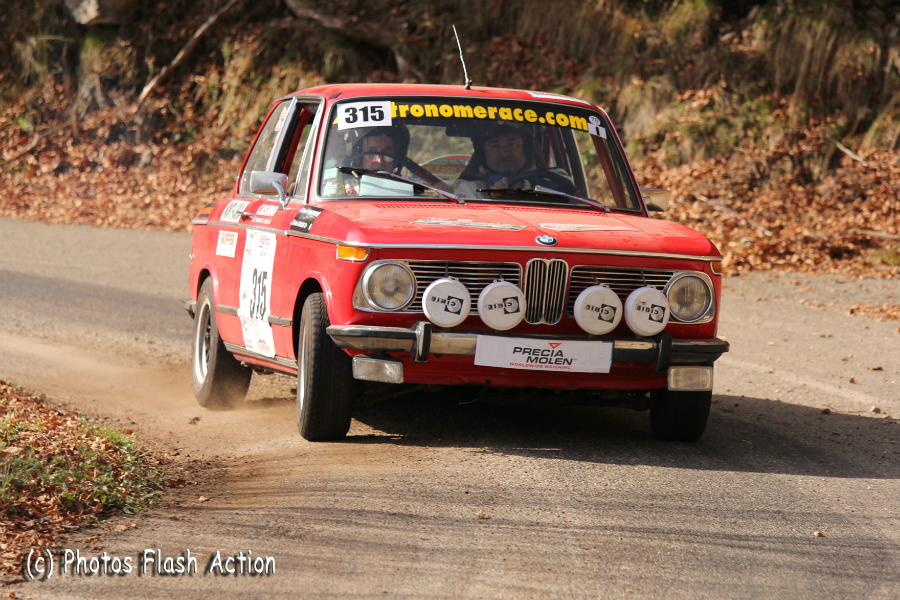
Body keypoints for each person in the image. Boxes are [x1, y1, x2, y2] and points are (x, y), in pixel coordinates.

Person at [452, 122, 574, 199]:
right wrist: (493, 199)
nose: (505, 152)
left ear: (525, 148)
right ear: (483, 154)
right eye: (495, 146)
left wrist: (527, 187)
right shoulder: (468, 188)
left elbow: (573, 204)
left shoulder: (556, 178)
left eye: (512, 144)